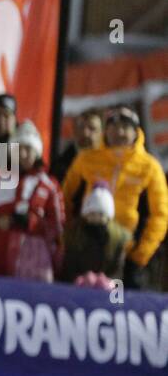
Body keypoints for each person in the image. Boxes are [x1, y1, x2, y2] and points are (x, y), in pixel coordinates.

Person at [61, 106, 167, 289]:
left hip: (127, 253)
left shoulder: (150, 167)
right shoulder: (86, 159)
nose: (119, 132)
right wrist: (70, 239)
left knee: (122, 308)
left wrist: (140, 254)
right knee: (80, 303)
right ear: (106, 130)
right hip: (87, 249)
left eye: (126, 127)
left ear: (136, 132)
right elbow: (65, 199)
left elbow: (160, 215)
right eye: (114, 126)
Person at [0, 121, 64, 281]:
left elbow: (58, 229)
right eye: (18, 148)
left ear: (37, 153)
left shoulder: (49, 185)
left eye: (28, 149)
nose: (22, 154)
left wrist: (33, 223)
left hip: (33, 269)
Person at [61, 183, 132, 282]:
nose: (96, 218)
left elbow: (117, 269)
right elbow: (69, 263)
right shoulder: (74, 234)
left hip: (106, 287)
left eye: (100, 214)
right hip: (77, 285)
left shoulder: (117, 239)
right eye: (92, 213)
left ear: (108, 216)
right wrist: (77, 279)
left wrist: (108, 281)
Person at [51, 108, 102, 187]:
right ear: (74, 131)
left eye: (92, 128)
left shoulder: (111, 164)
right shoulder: (60, 167)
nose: (85, 133)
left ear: (102, 133)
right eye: (81, 127)